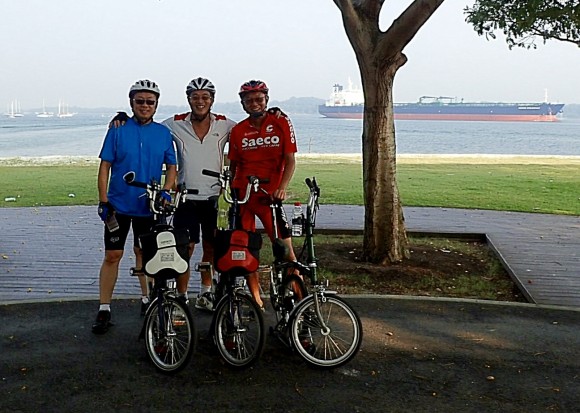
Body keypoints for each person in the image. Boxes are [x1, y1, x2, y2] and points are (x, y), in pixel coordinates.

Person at [92, 79, 177, 334]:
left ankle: (146, 299)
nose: (144, 105)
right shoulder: (118, 129)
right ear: (131, 103)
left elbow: (172, 167)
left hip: (148, 206)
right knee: (113, 255)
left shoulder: (163, 133)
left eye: (150, 102)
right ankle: (104, 307)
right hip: (118, 204)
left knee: (145, 254)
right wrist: (103, 200)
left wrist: (167, 191)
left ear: (156, 105)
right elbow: (105, 166)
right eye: (139, 101)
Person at [163, 77, 236, 310]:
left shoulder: (224, 124)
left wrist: (272, 114)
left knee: (211, 247)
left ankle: (206, 291)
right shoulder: (175, 123)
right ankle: (182, 294)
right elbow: (148, 127)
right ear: (188, 100)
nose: (200, 101)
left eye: (205, 97)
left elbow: (249, 132)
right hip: (186, 198)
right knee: (185, 247)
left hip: (214, 198)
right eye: (195, 97)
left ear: (212, 100)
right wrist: (122, 119)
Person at [228, 80, 298, 310]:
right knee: (247, 251)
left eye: (259, 99)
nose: (254, 104)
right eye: (249, 100)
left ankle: (299, 296)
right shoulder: (238, 130)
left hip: (270, 198)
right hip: (245, 198)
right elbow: (233, 166)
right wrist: (229, 191)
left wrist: (283, 187)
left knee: (285, 250)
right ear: (243, 104)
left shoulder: (280, 121)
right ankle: (256, 299)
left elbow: (290, 159)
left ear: (266, 99)